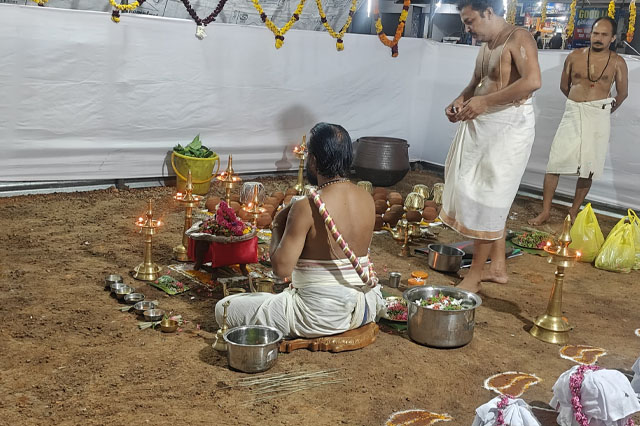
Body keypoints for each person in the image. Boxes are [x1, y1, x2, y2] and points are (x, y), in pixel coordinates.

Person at [214, 123, 384, 338]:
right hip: (365, 308)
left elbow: (281, 270)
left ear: (313, 160)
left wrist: (278, 225)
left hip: (320, 317)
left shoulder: (308, 206)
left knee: (225, 308)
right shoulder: (366, 198)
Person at [442, 0, 542, 293]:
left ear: (488, 12)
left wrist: (484, 102)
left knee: (489, 197)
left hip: (508, 128)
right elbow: (476, 82)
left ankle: (475, 275)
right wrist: (460, 101)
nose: (468, 29)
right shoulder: (486, 45)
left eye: (470, 21)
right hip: (483, 126)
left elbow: (533, 81)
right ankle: (497, 268)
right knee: (482, 193)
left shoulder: (519, 37)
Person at [528, 17, 628, 226]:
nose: (598, 38)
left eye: (604, 35)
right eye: (595, 33)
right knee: (555, 163)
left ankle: (573, 211)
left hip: (598, 116)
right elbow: (564, 86)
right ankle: (545, 211)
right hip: (573, 112)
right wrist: (578, 103)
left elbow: (622, 93)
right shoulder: (574, 56)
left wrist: (604, 110)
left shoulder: (618, 62)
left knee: (589, 167)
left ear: (613, 38)